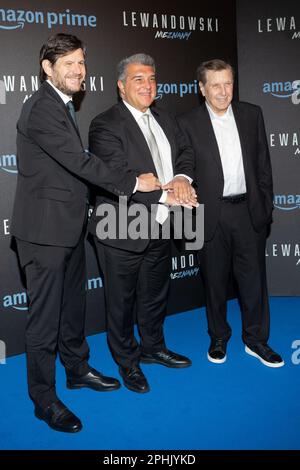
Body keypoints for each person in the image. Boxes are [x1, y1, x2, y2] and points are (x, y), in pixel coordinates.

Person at [11, 34, 160, 433]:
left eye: (82, 63)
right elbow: (79, 161)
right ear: (47, 68)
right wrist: (132, 183)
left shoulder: (61, 106)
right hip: (43, 233)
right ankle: (44, 399)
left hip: (68, 227)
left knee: (72, 309)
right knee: (44, 321)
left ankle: (77, 370)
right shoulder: (42, 107)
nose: (79, 71)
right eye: (69, 64)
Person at [88, 53, 197, 393]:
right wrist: (171, 196)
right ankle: (128, 362)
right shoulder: (105, 124)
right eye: (138, 79)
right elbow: (119, 177)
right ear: (121, 85)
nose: (147, 85)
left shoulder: (165, 115)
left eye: (151, 79)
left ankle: (153, 348)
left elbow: (186, 153)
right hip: (122, 227)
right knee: (121, 303)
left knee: (154, 294)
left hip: (162, 224)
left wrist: (181, 178)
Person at [177, 59, 284, 368]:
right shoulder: (187, 122)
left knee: (254, 281)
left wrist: (265, 206)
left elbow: (263, 165)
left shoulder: (252, 114)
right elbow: (183, 166)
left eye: (228, 84)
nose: (223, 91)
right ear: (202, 88)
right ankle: (218, 336)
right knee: (214, 281)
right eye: (215, 85)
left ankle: (256, 340)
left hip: (249, 211)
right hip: (210, 214)